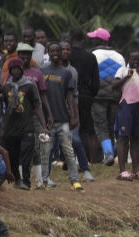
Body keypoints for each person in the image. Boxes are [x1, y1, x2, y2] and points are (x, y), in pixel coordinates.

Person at [40, 43, 82, 190]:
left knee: (68, 151)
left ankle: (74, 181)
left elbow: (70, 97)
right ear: (49, 53)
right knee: (45, 152)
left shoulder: (66, 73)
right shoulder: (42, 71)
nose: (56, 53)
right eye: (52, 51)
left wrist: (73, 116)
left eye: (58, 50)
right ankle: (44, 180)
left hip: (63, 119)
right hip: (46, 121)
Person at [0, 58, 45, 189]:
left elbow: (37, 105)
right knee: (13, 155)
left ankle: (26, 181)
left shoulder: (29, 86)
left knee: (26, 155)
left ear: (22, 69)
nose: (15, 71)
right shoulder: (6, 86)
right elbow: (3, 105)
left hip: (26, 125)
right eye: (12, 69)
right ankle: (17, 179)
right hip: (11, 127)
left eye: (17, 68)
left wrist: (43, 125)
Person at [59, 40, 96, 183]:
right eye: (63, 49)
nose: (65, 52)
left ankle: (85, 170)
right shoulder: (46, 70)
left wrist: (76, 116)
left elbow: (75, 96)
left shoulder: (73, 71)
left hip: (69, 112)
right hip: (53, 112)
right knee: (48, 144)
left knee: (76, 140)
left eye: (68, 49)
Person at [89, 28, 125, 166]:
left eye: (94, 37)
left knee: (100, 126)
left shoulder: (93, 54)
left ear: (99, 40)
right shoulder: (120, 56)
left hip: (98, 96)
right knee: (111, 126)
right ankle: (111, 152)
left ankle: (109, 154)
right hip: (115, 97)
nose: (92, 40)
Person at [112, 49, 139, 181]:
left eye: (138, 60)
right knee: (123, 138)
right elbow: (114, 85)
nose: (136, 62)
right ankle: (122, 171)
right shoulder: (122, 70)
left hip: (137, 107)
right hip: (126, 106)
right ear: (129, 59)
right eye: (133, 59)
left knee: (135, 138)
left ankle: (136, 171)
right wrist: (127, 76)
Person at [67, 29, 98, 164]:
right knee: (85, 129)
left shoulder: (68, 55)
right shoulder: (90, 56)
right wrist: (91, 94)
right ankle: (85, 160)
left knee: (68, 127)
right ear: (83, 39)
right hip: (86, 95)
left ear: (71, 37)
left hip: (69, 94)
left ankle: (67, 159)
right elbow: (96, 82)